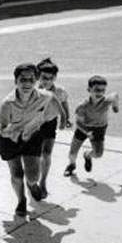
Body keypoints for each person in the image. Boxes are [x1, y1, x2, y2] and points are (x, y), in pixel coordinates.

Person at [0, 63, 64, 217]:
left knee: (33, 176)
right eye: (23, 80)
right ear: (16, 81)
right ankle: (21, 200)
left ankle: (32, 185)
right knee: (17, 174)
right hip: (10, 140)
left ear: (36, 80)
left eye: (31, 80)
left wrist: (64, 117)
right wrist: (9, 130)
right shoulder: (7, 103)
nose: (27, 83)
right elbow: (2, 127)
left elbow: (54, 98)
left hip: (32, 137)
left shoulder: (43, 95)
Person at [63, 75, 119, 177]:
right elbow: (79, 123)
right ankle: (71, 165)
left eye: (103, 90)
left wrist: (115, 106)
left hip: (99, 129)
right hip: (83, 128)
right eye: (97, 90)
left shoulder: (107, 101)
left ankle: (87, 155)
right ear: (89, 89)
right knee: (72, 153)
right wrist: (87, 132)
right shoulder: (82, 106)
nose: (100, 93)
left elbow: (115, 95)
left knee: (98, 154)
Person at [36, 58, 70, 198]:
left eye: (51, 78)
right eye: (44, 78)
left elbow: (64, 104)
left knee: (47, 154)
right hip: (35, 125)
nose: (47, 81)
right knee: (35, 155)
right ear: (38, 76)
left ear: (55, 77)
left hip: (50, 124)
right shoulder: (33, 90)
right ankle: (33, 179)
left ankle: (43, 181)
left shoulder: (60, 91)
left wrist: (66, 118)